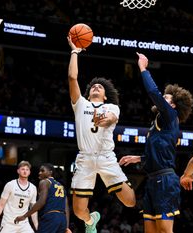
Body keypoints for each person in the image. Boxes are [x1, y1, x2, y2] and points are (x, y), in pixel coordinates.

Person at [119, 52, 193, 233]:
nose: (163, 98)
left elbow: (153, 92)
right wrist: (138, 158)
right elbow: (158, 153)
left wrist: (143, 68)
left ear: (173, 105)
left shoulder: (170, 115)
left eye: (167, 97)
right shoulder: (159, 123)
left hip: (165, 180)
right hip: (153, 179)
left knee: (164, 231)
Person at [67, 36, 136, 233]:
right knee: (79, 212)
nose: (97, 86)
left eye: (101, 87)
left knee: (130, 202)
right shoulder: (80, 104)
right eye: (93, 86)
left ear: (105, 95)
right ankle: (91, 221)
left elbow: (112, 118)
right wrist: (75, 51)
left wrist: (104, 120)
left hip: (106, 157)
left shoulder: (112, 106)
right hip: (85, 158)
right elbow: (72, 78)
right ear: (88, 94)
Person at [14, 163, 71, 233]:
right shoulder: (61, 186)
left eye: (42, 171)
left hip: (50, 217)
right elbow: (66, 208)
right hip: (62, 220)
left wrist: (25, 216)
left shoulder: (45, 182)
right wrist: (66, 226)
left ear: (50, 172)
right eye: (39, 171)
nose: (39, 173)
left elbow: (41, 202)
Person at [0, 160, 38, 233]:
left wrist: (36, 225)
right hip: (8, 223)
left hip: (24, 223)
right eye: (23, 169)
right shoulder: (10, 185)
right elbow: (1, 205)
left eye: (27, 169)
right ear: (18, 171)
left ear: (29, 172)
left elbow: (33, 209)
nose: (25, 171)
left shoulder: (33, 188)